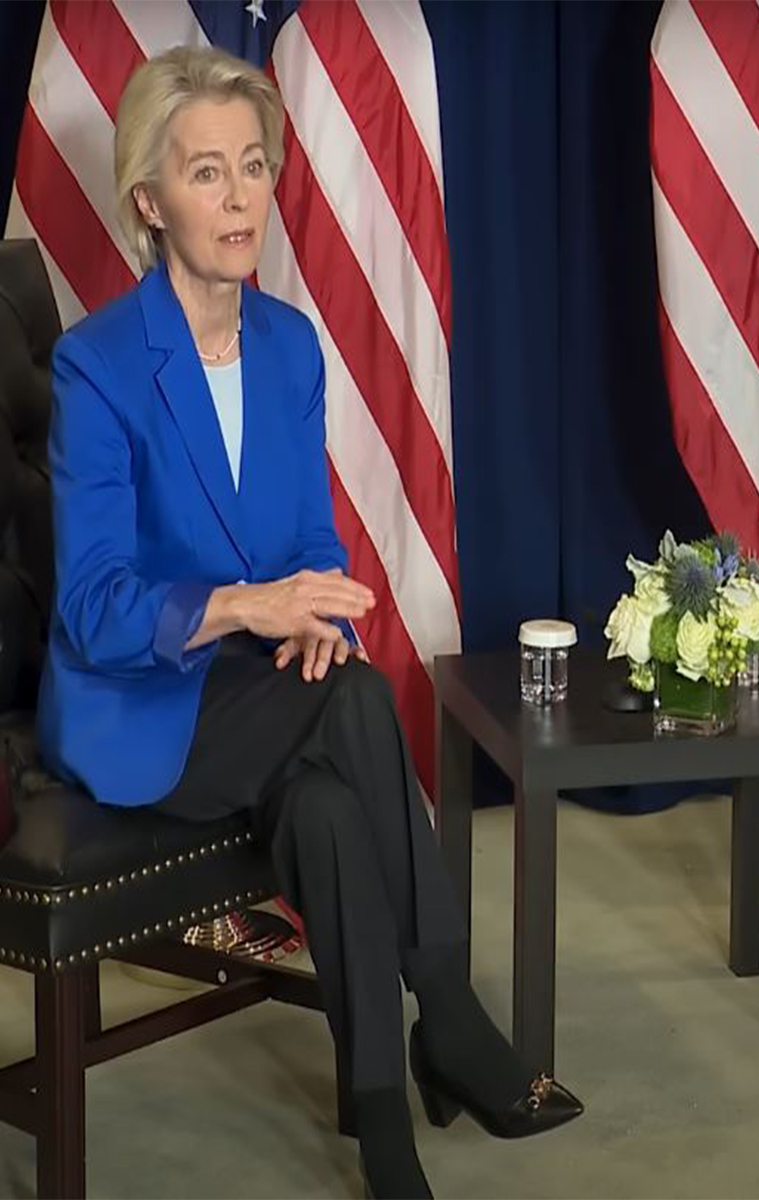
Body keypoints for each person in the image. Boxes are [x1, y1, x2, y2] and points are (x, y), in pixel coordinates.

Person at [36, 46, 580, 1199]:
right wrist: (246, 607)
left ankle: (381, 1119)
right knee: (360, 700)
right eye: (206, 175)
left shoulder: (287, 345)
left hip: (269, 694)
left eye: (253, 168)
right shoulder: (96, 369)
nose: (240, 202)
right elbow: (91, 609)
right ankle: (451, 1013)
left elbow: (309, 544)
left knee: (333, 799)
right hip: (143, 709)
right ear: (149, 201)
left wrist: (316, 613)